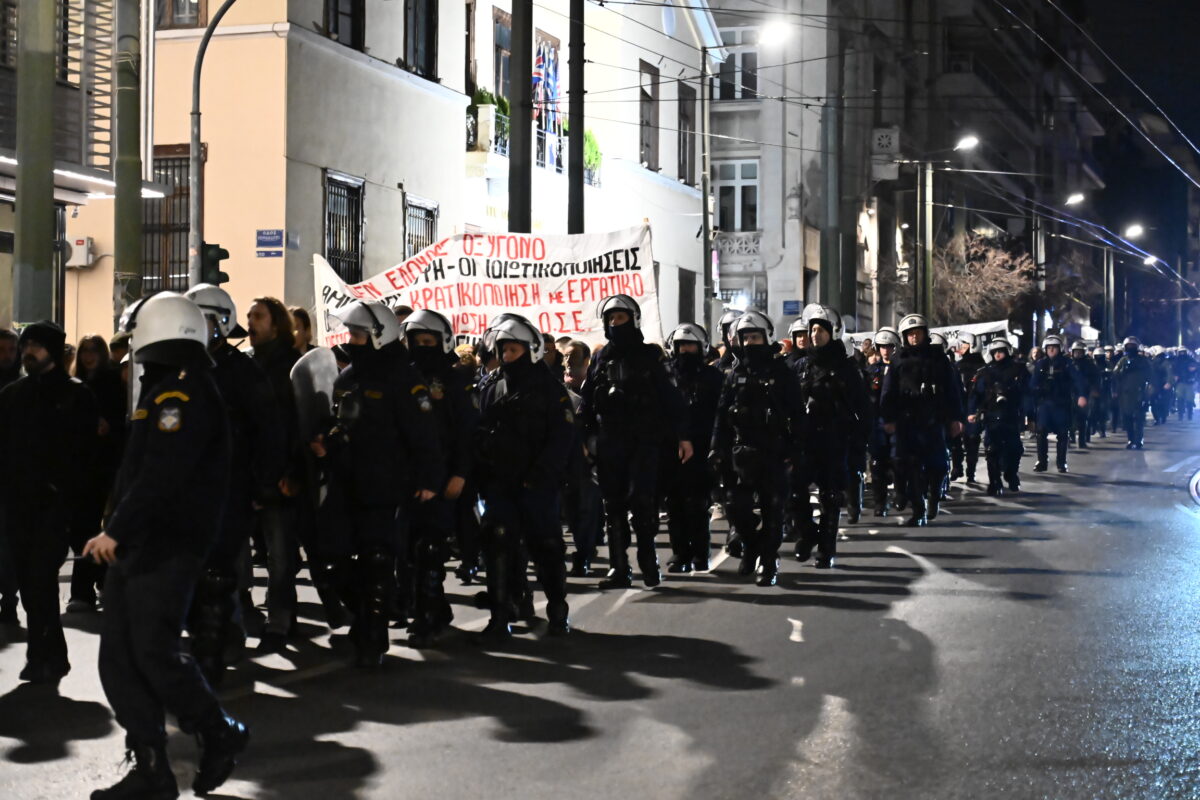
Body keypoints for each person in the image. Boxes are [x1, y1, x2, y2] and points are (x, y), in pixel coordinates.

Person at [83, 293, 248, 799]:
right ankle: (151, 766)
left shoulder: (182, 393)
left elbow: (163, 475)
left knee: (153, 652)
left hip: (167, 544)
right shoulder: (162, 390)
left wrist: (118, 529)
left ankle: (218, 729)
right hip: (142, 544)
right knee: (119, 658)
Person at [310, 300, 444, 665]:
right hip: (344, 480)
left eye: (357, 334)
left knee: (377, 558)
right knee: (327, 558)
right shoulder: (347, 378)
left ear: (378, 337)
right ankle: (368, 612)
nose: (350, 340)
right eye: (350, 333)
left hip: (385, 482)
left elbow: (423, 432)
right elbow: (337, 423)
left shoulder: (404, 377)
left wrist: (429, 478)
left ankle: (373, 635)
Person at [185, 284, 286, 684]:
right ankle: (212, 635)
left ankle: (217, 647)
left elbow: (269, 431)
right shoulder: (182, 368)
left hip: (230, 485)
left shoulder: (242, 371)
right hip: (187, 489)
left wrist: (264, 483)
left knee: (218, 571)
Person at [0, 320, 97, 683]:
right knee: (28, 584)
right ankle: (48, 653)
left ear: (53, 350)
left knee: (39, 578)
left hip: (54, 508)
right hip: (18, 506)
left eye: (37, 346)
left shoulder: (76, 395)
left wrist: (64, 494)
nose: (28, 352)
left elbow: (85, 454)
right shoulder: (13, 395)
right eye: (26, 345)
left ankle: (44, 654)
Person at [580, 295, 691, 589]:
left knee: (643, 503)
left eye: (621, 318)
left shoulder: (651, 356)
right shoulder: (601, 358)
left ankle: (648, 561)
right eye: (611, 318)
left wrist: (682, 436)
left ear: (634, 319)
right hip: (610, 441)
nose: (616, 323)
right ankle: (619, 568)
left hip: (644, 439)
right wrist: (583, 437)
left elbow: (672, 398)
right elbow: (589, 400)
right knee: (612, 505)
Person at [474, 315, 574, 637]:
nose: (506, 357)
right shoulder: (492, 386)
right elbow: (479, 429)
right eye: (503, 350)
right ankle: (501, 614)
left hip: (537, 484)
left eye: (513, 350)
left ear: (529, 350)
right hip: (501, 482)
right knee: (498, 540)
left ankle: (558, 609)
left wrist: (542, 474)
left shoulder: (550, 390)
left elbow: (562, 438)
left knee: (545, 546)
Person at [400, 309, 478, 647]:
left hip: (445, 473)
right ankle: (431, 605)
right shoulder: (403, 377)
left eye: (428, 342)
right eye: (416, 341)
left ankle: (426, 618)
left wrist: (460, 472)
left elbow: (466, 432)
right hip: (408, 476)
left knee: (430, 547)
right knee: (407, 549)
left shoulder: (456, 381)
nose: (421, 347)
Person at [711, 311, 803, 585]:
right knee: (736, 508)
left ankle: (769, 561)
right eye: (746, 338)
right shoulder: (734, 375)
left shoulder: (783, 374)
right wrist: (717, 449)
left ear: (766, 337)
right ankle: (752, 546)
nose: (751, 343)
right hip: (741, 453)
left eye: (755, 336)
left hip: (774, 452)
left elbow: (797, 415)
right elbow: (722, 415)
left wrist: (796, 451)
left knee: (773, 510)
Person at [246, 296, 302, 653]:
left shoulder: (292, 367)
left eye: (258, 316)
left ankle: (279, 619)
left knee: (280, 555)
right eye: (249, 316)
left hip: (279, 474)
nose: (250, 322)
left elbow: (299, 422)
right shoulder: (246, 365)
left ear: (276, 324)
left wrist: (293, 470)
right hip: (247, 474)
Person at [792, 305, 867, 568]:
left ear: (832, 333)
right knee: (793, 490)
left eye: (820, 330)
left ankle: (826, 549)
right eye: (811, 329)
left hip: (835, 440)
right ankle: (807, 532)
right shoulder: (801, 365)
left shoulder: (846, 368)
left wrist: (859, 446)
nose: (814, 335)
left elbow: (861, 407)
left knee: (830, 497)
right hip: (805, 440)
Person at [880, 314, 965, 527]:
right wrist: (888, 418)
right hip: (906, 421)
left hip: (933, 419)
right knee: (907, 468)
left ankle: (935, 493)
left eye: (917, 333)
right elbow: (888, 392)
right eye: (910, 334)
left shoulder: (938, 359)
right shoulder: (898, 359)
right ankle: (918, 509)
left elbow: (953, 391)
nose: (914, 337)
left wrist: (955, 417)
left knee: (937, 465)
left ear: (925, 334)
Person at [67, 335, 127, 614]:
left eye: (94, 351)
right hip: (79, 465)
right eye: (85, 351)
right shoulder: (74, 384)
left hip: (102, 464)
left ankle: (84, 590)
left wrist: (107, 427)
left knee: (91, 526)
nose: (89, 356)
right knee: (83, 528)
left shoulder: (111, 382)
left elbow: (119, 421)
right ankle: (99, 581)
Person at [661, 323, 723, 574]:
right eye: (681, 346)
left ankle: (700, 552)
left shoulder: (714, 378)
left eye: (690, 345)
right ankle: (680, 553)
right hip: (670, 447)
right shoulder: (665, 378)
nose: (685, 350)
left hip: (702, 447)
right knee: (674, 504)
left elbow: (721, 413)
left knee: (697, 504)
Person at [968, 339, 1028, 496]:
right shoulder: (985, 372)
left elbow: (1027, 393)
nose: (998, 354)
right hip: (991, 415)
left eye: (1001, 351)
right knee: (991, 450)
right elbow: (976, 394)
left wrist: (1029, 415)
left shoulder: (1018, 370)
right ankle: (994, 481)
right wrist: (972, 412)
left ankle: (1011, 474)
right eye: (995, 352)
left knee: (1014, 449)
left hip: (1011, 415)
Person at [1029, 335, 1088, 473]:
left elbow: (1078, 380)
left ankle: (1062, 462)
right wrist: (1035, 392)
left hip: (1061, 402)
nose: (1051, 350)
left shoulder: (1067, 363)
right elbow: (1032, 383)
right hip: (1045, 403)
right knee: (1041, 431)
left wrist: (1081, 395)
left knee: (1062, 433)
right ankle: (1041, 461)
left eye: (1053, 348)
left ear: (1059, 349)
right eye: (1048, 348)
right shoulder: (1040, 364)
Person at [865, 327, 900, 516]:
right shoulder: (872, 371)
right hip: (877, 424)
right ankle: (880, 502)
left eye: (889, 346)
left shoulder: (903, 369)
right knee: (877, 464)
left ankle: (902, 495)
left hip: (899, 424)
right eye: (882, 346)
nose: (886, 350)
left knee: (899, 462)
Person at [951, 332, 986, 484]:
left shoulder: (980, 368)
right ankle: (961, 468)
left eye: (964, 344)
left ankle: (968, 470)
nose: (961, 347)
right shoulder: (958, 366)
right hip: (962, 408)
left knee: (970, 441)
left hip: (971, 408)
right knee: (958, 441)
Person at [1113, 336, 1153, 449]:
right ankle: (1131, 439)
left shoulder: (1143, 360)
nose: (1130, 348)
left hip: (1139, 393)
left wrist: (1148, 390)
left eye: (1132, 346)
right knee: (1127, 418)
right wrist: (1123, 370)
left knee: (1139, 418)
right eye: (1128, 346)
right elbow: (1115, 374)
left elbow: (1150, 375)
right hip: (1125, 394)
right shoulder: (1123, 360)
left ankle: (1139, 439)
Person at [1068, 340, 1101, 450]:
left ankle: (1082, 440)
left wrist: (1093, 389)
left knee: (1083, 418)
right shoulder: (1069, 363)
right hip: (1070, 393)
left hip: (1085, 394)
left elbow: (1096, 378)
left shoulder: (1089, 364)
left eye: (1080, 352)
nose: (1077, 354)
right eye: (1075, 351)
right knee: (1069, 417)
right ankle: (1070, 437)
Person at [1092, 347, 1112, 438]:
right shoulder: (1092, 364)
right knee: (1092, 410)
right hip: (1093, 391)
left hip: (1104, 390)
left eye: (1101, 356)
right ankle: (1093, 427)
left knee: (1103, 411)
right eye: (1098, 356)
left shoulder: (1108, 364)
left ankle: (1102, 429)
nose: (1099, 358)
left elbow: (1112, 374)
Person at [1173, 347, 1197, 421]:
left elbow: (1196, 368)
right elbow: (1173, 369)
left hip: (1189, 382)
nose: (1182, 354)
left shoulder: (1190, 359)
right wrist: (1175, 376)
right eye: (1181, 352)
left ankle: (1189, 414)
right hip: (1180, 382)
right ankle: (1180, 415)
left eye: (1183, 352)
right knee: (1180, 399)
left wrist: (1193, 370)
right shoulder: (1177, 360)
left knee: (1189, 399)